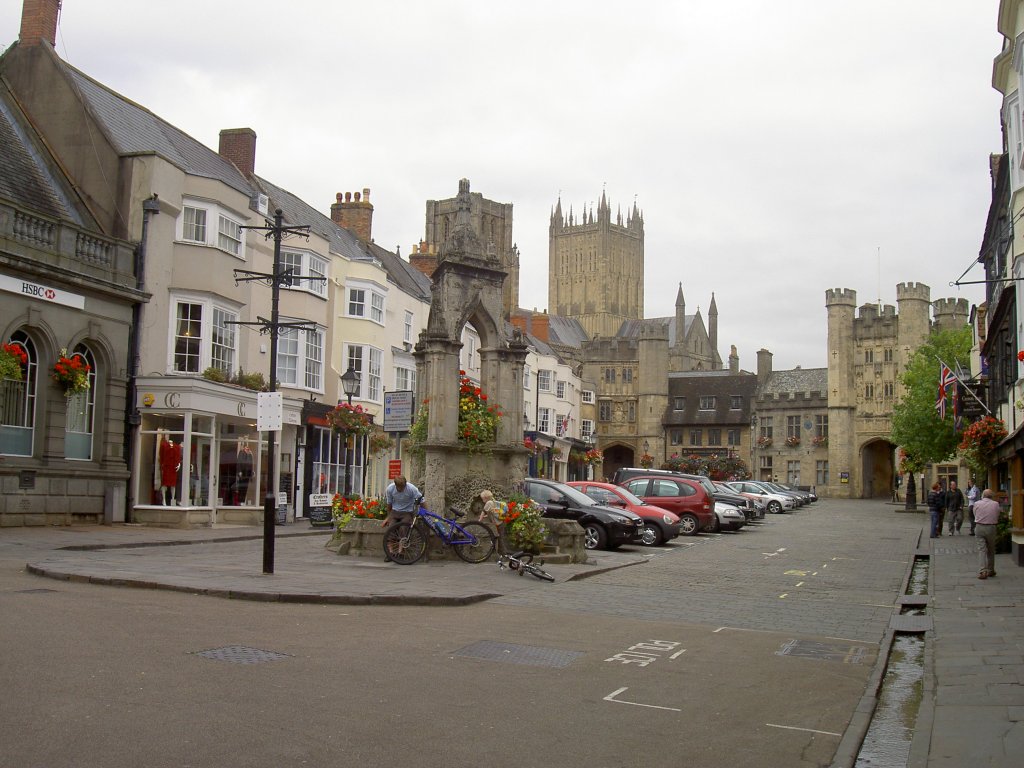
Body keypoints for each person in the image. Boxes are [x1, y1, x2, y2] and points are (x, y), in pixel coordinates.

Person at [972, 488, 1002, 579]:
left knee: (982, 549)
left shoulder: (977, 503)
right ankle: (991, 570)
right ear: (991, 496)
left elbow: (975, 514)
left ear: (983, 495)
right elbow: (997, 514)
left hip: (979, 526)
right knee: (991, 549)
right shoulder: (996, 504)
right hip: (991, 527)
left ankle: (982, 571)